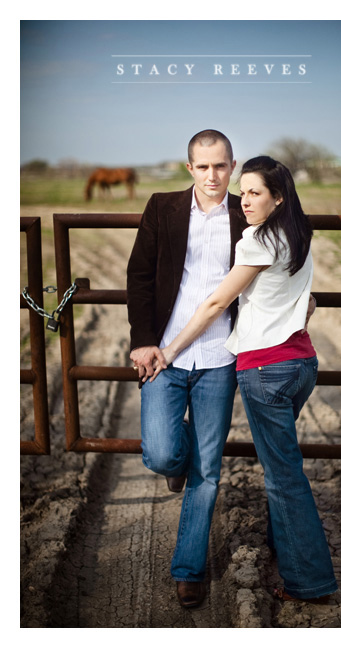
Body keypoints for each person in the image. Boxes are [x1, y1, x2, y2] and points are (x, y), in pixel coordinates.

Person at [151, 155, 338, 603]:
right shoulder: (299, 233)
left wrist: (170, 350)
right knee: (283, 463)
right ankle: (286, 545)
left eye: (255, 192)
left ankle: (308, 581)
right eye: (245, 190)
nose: (245, 199)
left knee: (282, 475)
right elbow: (299, 296)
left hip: (265, 369)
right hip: (301, 365)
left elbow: (216, 303)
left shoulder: (256, 240)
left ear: (277, 198)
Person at [127, 129, 246, 608]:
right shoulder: (163, 207)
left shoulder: (247, 211)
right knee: (160, 453)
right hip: (165, 355)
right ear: (189, 167)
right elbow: (138, 274)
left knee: (208, 471)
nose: (212, 175)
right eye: (203, 166)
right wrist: (142, 341)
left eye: (221, 166)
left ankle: (189, 569)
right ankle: (176, 466)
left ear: (232, 166)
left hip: (221, 357)